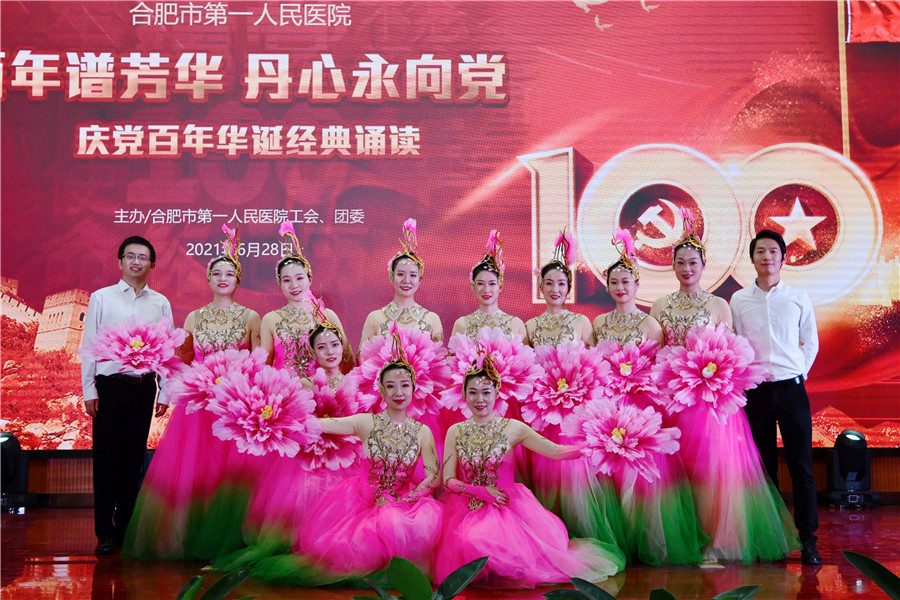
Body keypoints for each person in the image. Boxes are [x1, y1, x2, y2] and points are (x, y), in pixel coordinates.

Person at [651, 213, 798, 563]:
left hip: (709, 405)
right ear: (672, 266)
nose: (687, 268)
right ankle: (682, 539)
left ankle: (713, 541)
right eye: (681, 262)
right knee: (676, 474)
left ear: (704, 266)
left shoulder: (719, 305)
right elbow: (656, 354)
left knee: (712, 474)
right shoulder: (659, 305)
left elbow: (732, 353)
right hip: (671, 403)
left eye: (693, 263)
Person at [250, 333, 442, 585]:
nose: (398, 392)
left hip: (404, 501)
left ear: (414, 389)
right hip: (363, 500)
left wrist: (405, 498)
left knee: (406, 522)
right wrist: (276, 416)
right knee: (353, 547)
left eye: (405, 385)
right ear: (381, 390)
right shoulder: (365, 422)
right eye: (391, 386)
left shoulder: (422, 432)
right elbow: (319, 424)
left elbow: (434, 477)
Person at [124, 226, 261, 561]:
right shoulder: (194, 317)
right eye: (217, 273)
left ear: (238, 280)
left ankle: (230, 538)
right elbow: (182, 362)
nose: (223, 278)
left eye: (230, 274)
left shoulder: (251, 316)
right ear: (209, 279)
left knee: (231, 474)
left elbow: (259, 362)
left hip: (236, 407)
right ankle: (189, 538)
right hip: (199, 409)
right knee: (197, 472)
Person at [435, 354, 624, 588]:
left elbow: (556, 451)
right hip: (468, 507)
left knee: (494, 546)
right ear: (464, 394)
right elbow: (449, 480)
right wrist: (481, 492)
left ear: (497, 393)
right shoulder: (455, 431)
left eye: (486, 392)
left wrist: (598, 445)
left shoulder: (514, 428)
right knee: (470, 539)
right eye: (473, 392)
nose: (479, 399)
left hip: (508, 505)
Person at [594, 230, 706, 566]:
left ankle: (642, 537)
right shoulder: (598, 322)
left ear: (637, 284)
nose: (620, 288)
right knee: (607, 473)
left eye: (626, 282)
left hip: (640, 405)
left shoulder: (651, 323)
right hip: (607, 405)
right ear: (607, 286)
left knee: (640, 474)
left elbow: (656, 369)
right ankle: (617, 538)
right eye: (614, 282)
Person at [731, 229, 821, 565]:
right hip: (757, 392)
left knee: (801, 467)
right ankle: (770, 540)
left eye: (772, 251)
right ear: (752, 258)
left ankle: (808, 540)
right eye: (760, 251)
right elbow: (738, 343)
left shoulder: (797, 297)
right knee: (764, 469)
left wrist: (799, 373)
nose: (766, 257)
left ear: (783, 257)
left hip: (792, 390)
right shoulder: (739, 300)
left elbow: (810, 342)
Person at [81, 235, 172, 556]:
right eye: (130, 256)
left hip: (143, 388)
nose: (136, 262)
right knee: (107, 459)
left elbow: (166, 350)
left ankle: (126, 530)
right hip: (109, 387)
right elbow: (89, 346)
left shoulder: (160, 303)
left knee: (133, 460)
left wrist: (165, 390)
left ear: (152, 265)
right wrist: (89, 389)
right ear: (120, 261)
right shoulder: (101, 298)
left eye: (142, 257)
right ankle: (105, 533)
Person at [261, 221, 347, 377]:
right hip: (284, 389)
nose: (294, 285)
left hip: (321, 388)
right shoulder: (270, 320)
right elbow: (264, 368)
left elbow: (347, 359)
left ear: (310, 279)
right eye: (287, 280)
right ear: (280, 284)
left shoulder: (327, 316)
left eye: (299, 278)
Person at [359, 218, 443, 349]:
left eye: (413, 275)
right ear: (392, 277)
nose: (406, 281)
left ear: (420, 280)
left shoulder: (432, 319)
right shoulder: (375, 317)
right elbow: (362, 356)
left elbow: (438, 357)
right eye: (401, 274)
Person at [451, 229, 526, 340]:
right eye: (480, 283)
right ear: (473, 286)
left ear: (500, 286)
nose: (486, 290)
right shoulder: (461, 324)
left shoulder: (516, 324)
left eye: (492, 284)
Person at [524, 230, 592, 347]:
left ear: (568, 288)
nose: (555, 290)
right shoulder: (530, 326)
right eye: (549, 283)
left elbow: (593, 356)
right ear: (541, 288)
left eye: (561, 284)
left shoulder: (581, 322)